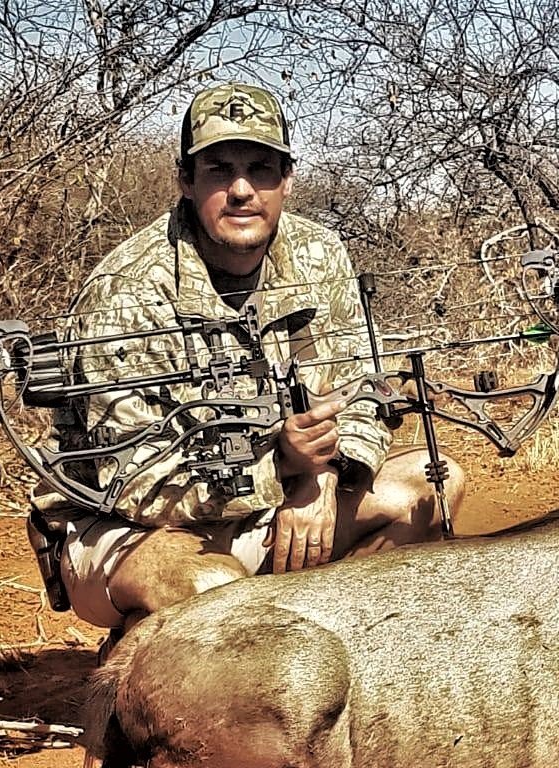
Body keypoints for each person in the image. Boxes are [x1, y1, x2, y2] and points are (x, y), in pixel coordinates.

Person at [28, 82, 464, 639]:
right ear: (185, 180)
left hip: (279, 502)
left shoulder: (319, 253)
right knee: (213, 588)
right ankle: (143, 659)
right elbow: (135, 482)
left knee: (433, 483)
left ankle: (334, 647)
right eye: (218, 170)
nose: (241, 190)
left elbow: (363, 392)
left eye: (261, 169)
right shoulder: (126, 290)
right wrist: (283, 467)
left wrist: (323, 477)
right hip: (130, 529)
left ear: (286, 179)